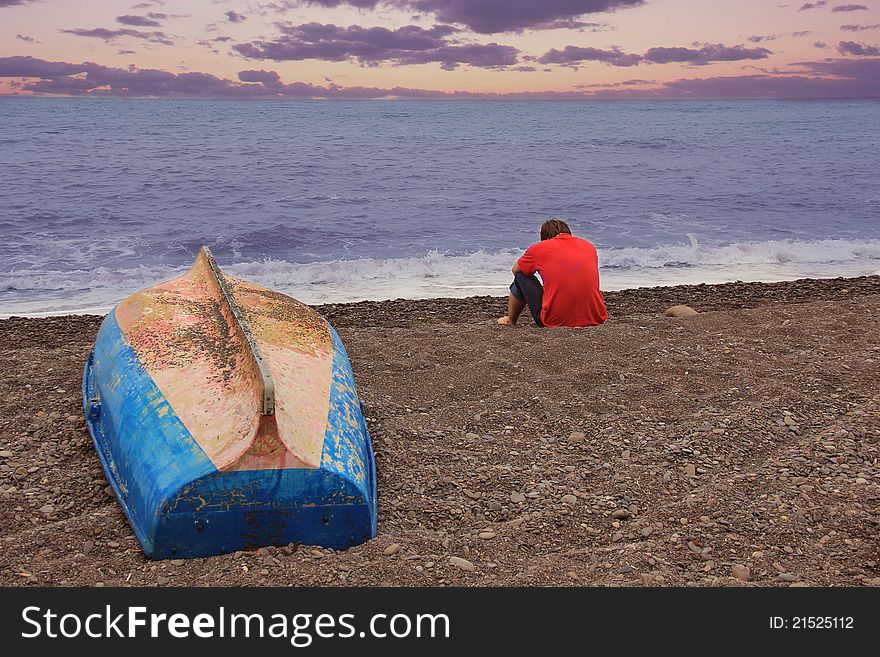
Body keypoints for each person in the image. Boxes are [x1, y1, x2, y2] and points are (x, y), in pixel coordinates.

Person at [498, 219, 607, 328]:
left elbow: (515, 270)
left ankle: (511, 319)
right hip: (595, 317)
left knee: (521, 276)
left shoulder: (540, 248)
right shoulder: (589, 246)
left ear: (546, 238)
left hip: (554, 320)